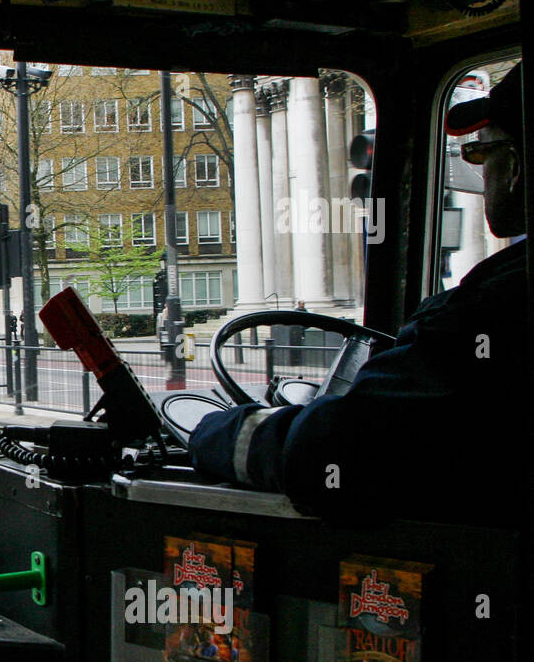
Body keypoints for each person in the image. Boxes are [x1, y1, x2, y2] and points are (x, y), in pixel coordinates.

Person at [189, 63, 527, 525]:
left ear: (516, 168)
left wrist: (226, 432)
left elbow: (350, 450)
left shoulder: (499, 305)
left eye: (483, 153)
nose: (482, 174)